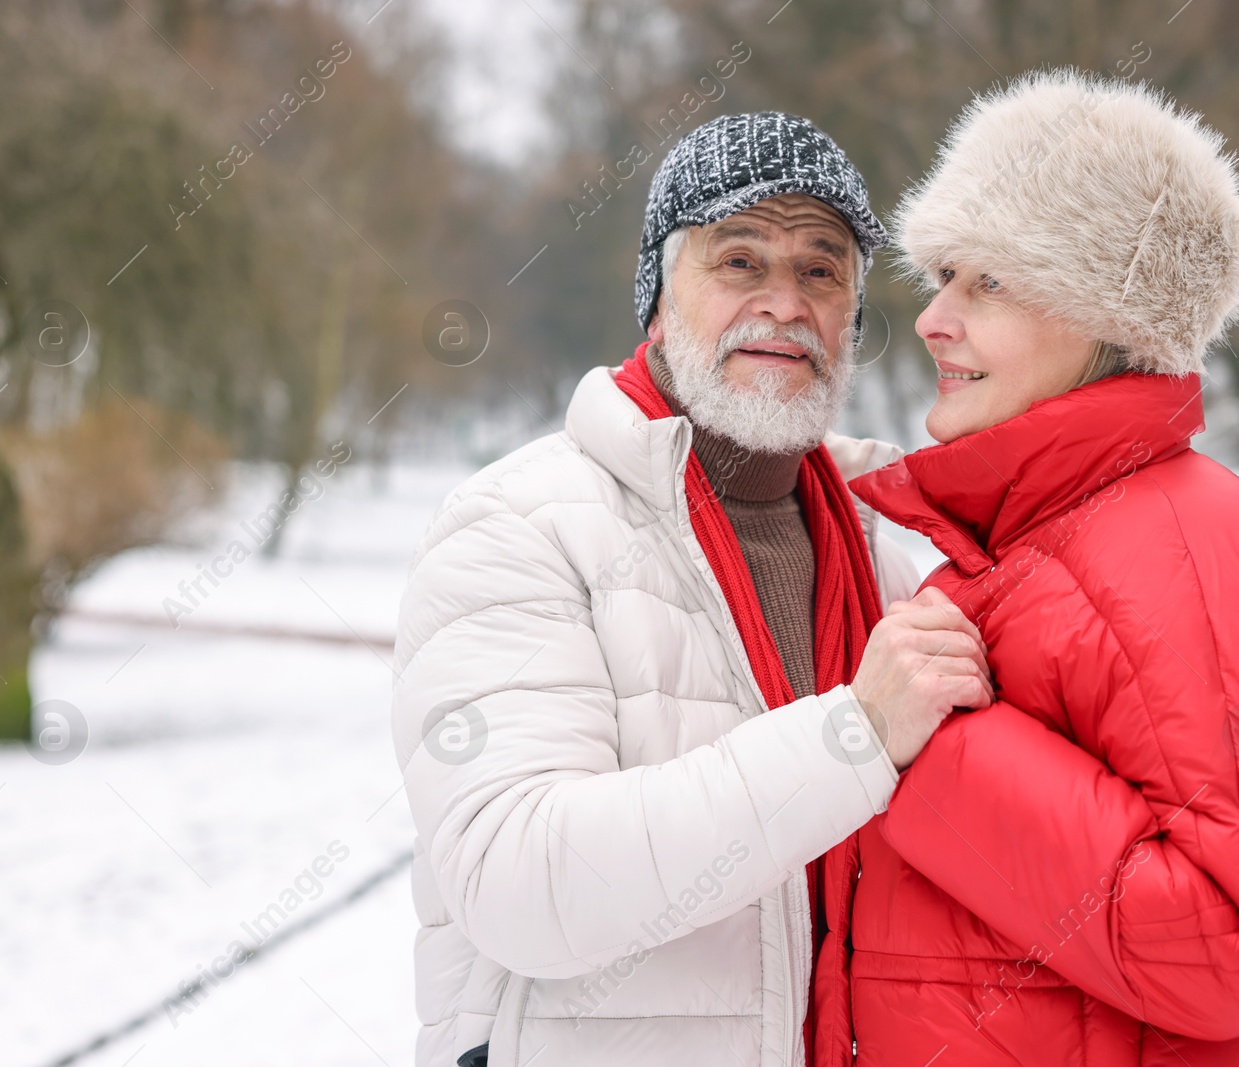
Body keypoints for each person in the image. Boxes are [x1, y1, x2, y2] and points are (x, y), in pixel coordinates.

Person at [809, 70, 1239, 1065]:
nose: (932, 318)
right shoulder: (1053, 541)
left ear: (1109, 309)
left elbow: (1224, 940)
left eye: (986, 281)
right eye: (943, 275)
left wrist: (930, 745)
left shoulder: (1182, 551)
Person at [393, 111, 994, 1067]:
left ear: (852, 319)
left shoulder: (894, 546)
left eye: (821, 269)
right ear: (659, 303)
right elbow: (520, 880)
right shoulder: (520, 523)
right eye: (739, 260)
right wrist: (855, 737)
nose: (785, 304)